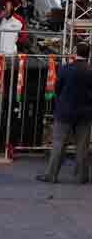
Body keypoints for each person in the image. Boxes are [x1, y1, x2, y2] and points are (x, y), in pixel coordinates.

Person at [38, 42, 92, 184]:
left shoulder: (65, 69)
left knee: (58, 144)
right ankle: (82, 176)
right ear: (88, 54)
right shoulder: (90, 70)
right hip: (85, 113)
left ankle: (51, 175)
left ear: (75, 52)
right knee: (82, 146)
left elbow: (58, 88)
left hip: (65, 111)